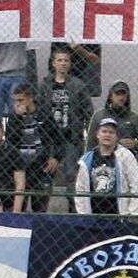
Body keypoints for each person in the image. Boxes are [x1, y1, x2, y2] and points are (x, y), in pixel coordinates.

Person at [37, 46, 93, 208]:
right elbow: (39, 110)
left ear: (70, 64)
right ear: (53, 63)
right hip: (50, 139)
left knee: (71, 175)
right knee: (46, 175)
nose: (62, 63)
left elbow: (88, 112)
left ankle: (73, 210)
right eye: (59, 60)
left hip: (71, 138)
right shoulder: (46, 85)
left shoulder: (78, 85)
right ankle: (41, 209)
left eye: (66, 60)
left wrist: (86, 134)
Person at [5, 83, 61, 213]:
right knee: (20, 206)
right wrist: (18, 118)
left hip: (41, 167)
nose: (18, 104)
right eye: (15, 101)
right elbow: (10, 141)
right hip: (21, 167)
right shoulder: (14, 117)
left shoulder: (43, 114)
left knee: (40, 208)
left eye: (21, 100)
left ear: (30, 98)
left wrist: (55, 158)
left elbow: (58, 139)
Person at [75, 118, 138, 215]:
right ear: (97, 135)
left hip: (120, 216)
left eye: (111, 132)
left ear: (116, 137)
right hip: (93, 215)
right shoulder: (87, 159)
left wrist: (134, 213)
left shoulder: (126, 156)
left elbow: (135, 185)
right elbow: (80, 189)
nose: (107, 135)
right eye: (104, 131)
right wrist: (83, 214)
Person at [86, 80, 138, 153]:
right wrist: (117, 144)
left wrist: (135, 144)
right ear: (110, 96)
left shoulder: (134, 117)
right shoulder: (99, 116)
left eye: (124, 94)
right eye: (117, 94)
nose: (121, 97)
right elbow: (90, 142)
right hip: (104, 157)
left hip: (128, 158)